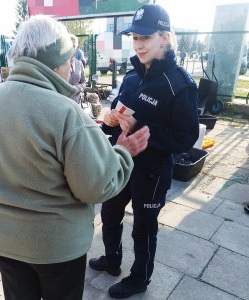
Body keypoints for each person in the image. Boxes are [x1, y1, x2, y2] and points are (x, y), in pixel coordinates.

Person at [0, 15, 150, 300]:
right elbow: (96, 187)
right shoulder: (66, 114)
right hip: (56, 247)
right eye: (70, 59)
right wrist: (123, 152)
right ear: (55, 62)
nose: (73, 66)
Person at [89, 4, 199, 299]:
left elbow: (186, 136)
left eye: (145, 38)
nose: (138, 44)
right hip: (121, 164)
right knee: (110, 213)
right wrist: (112, 119)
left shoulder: (180, 84)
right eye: (135, 37)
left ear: (163, 38)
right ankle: (112, 260)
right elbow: (117, 117)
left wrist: (141, 127)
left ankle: (139, 279)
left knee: (144, 229)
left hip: (151, 171)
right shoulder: (131, 77)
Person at [69, 34, 86, 103]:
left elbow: (84, 82)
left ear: (76, 47)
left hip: (76, 101)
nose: (70, 48)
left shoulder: (79, 64)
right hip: (63, 101)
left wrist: (78, 88)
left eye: (73, 46)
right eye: (68, 46)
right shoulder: (59, 63)